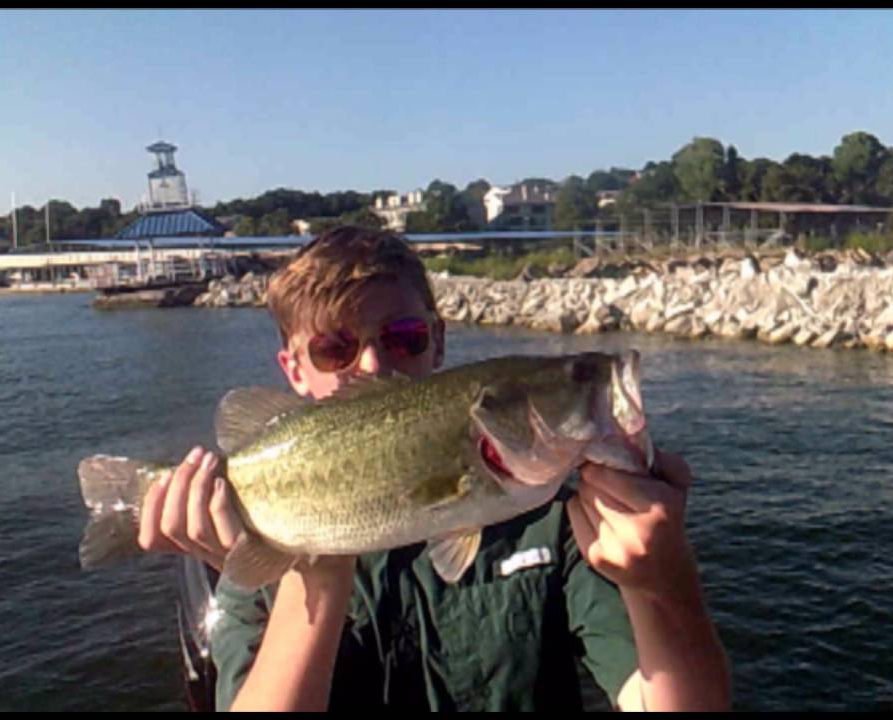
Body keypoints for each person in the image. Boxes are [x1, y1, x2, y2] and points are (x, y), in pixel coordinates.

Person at [138, 227, 731, 711]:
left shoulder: (558, 525)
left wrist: (664, 584)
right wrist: (311, 574)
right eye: (333, 350)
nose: (372, 362)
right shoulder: (258, 554)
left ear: (438, 342)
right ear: (293, 370)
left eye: (403, 337)